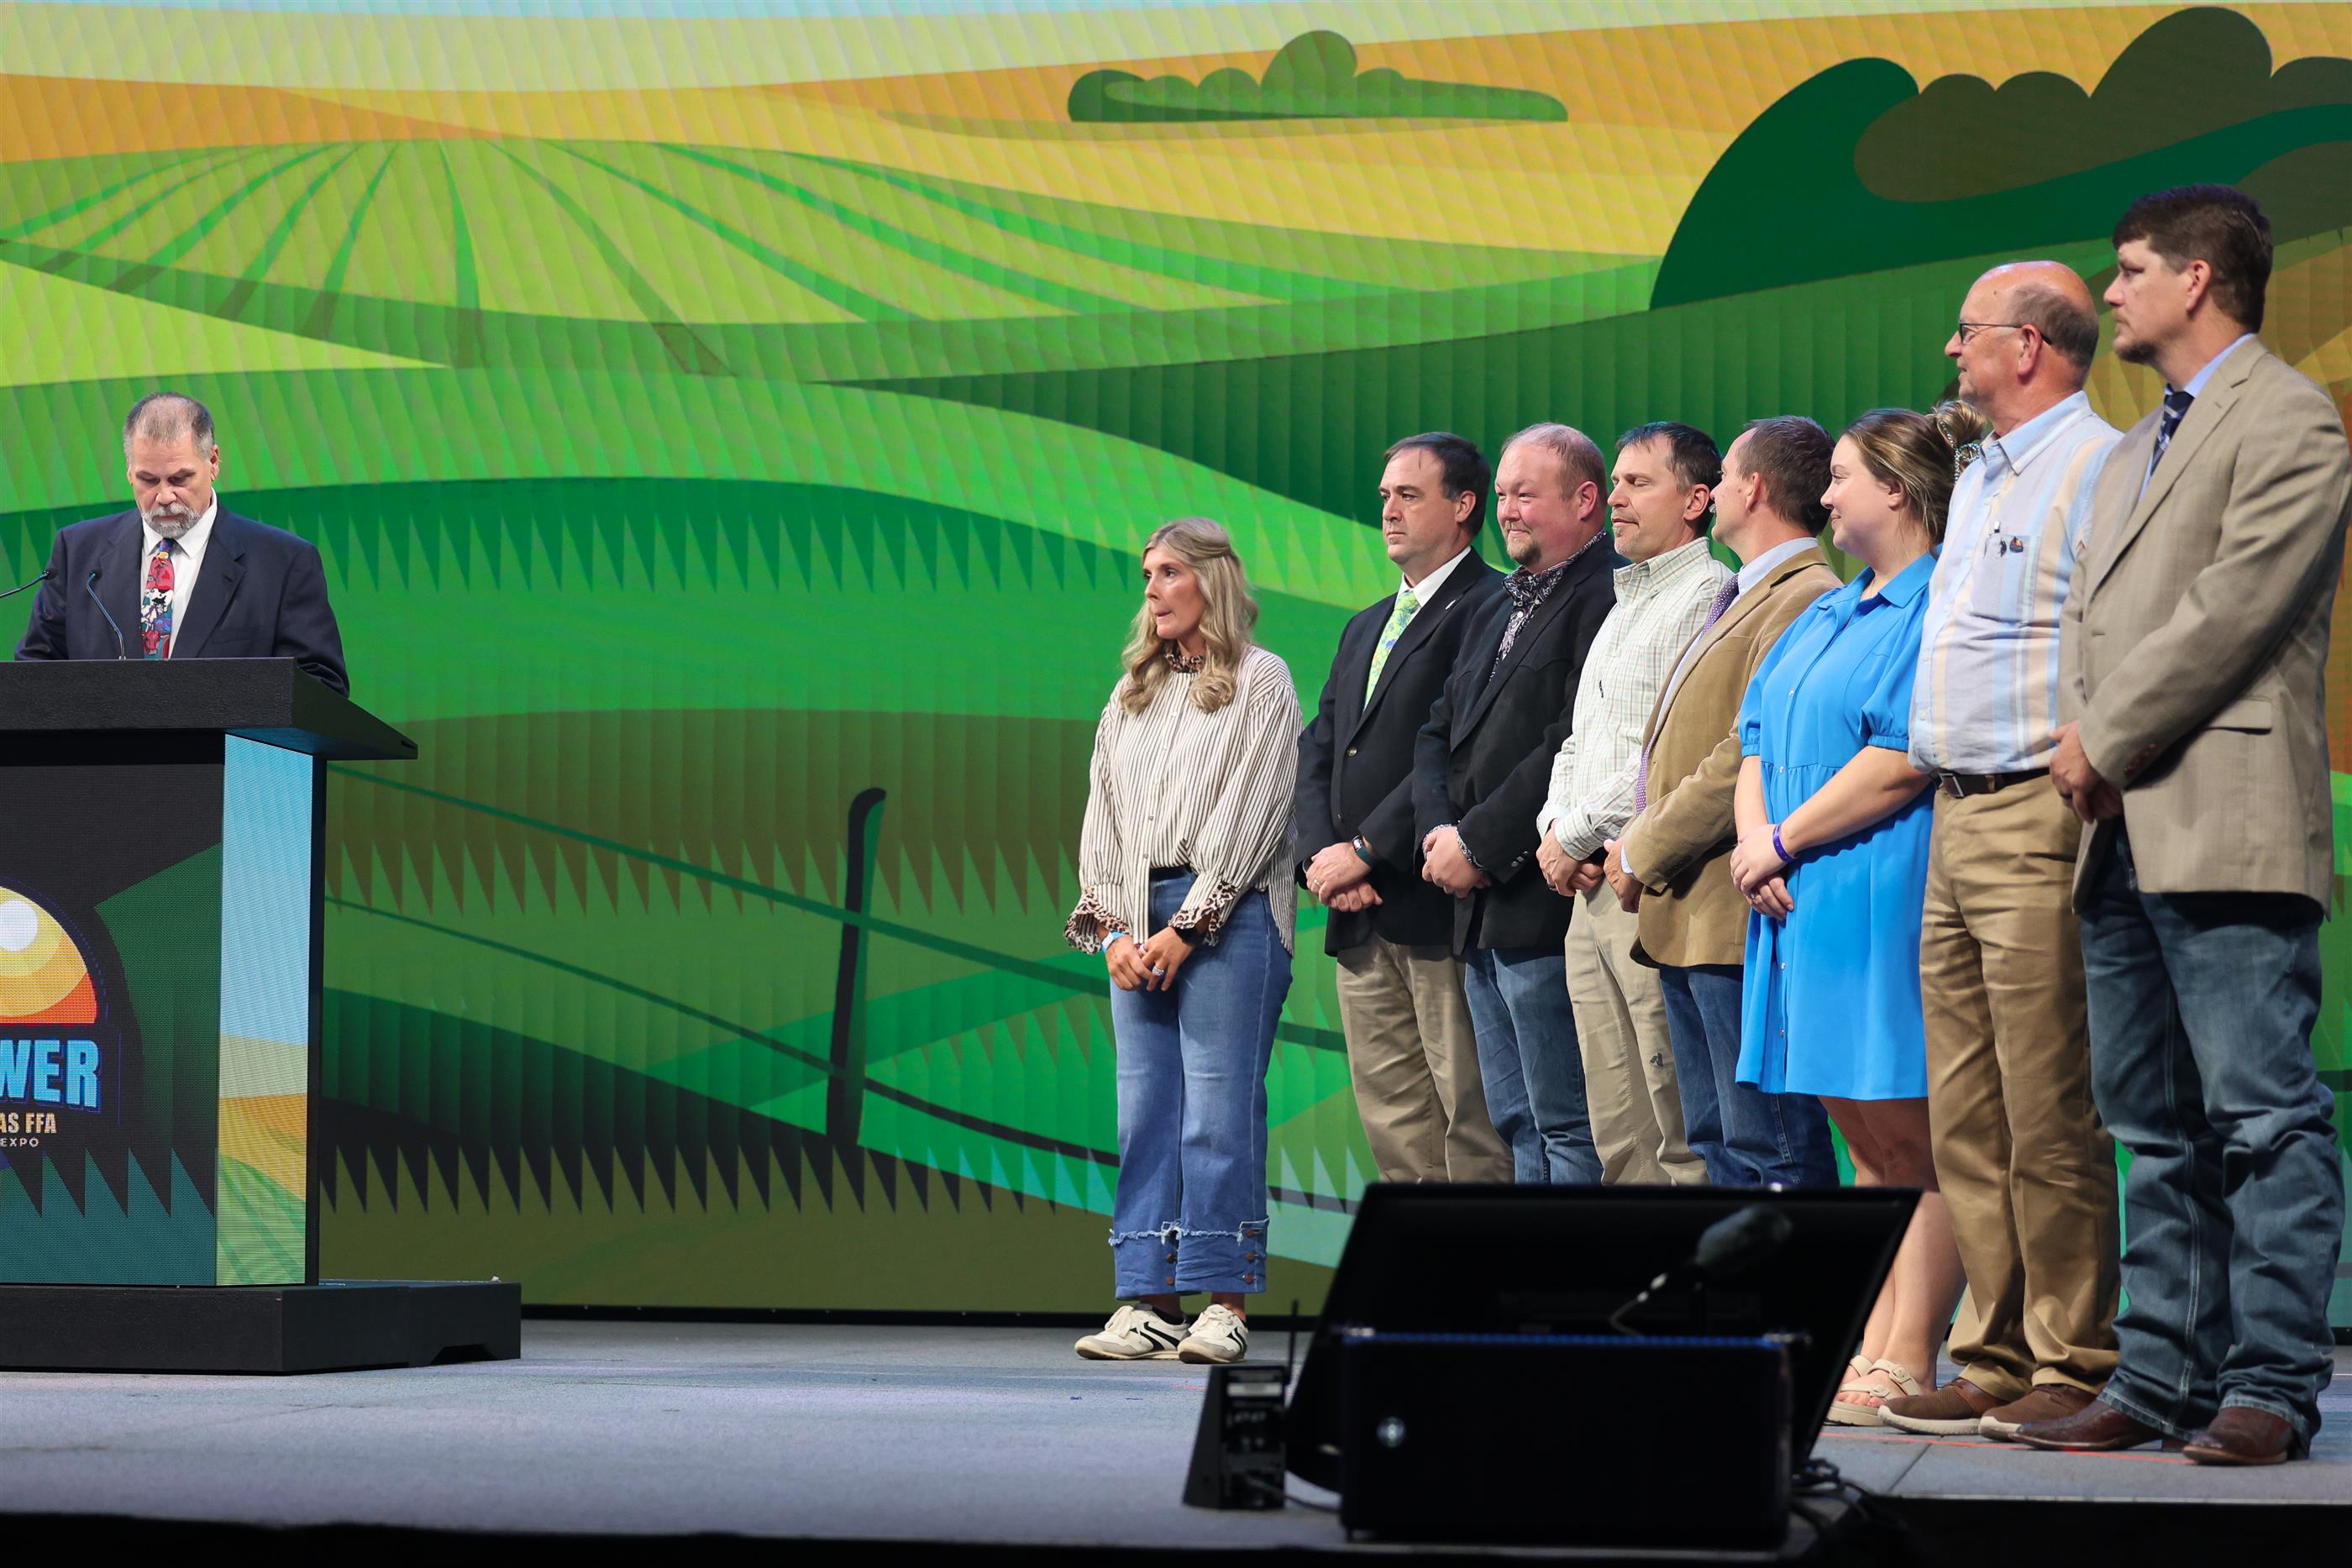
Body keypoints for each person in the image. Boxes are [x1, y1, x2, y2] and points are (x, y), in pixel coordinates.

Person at [2020, 186, 2349, 1466]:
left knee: (2261, 1115)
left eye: (2129, 269)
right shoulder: (2132, 447)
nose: (2110, 292)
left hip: (2223, 813)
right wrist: (2087, 746)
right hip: (2120, 823)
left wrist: (2102, 739)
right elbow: (2091, 624)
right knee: (2150, 1122)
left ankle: (2271, 1381)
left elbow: (2234, 609)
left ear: (2198, 276)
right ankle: (2159, 1375)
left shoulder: (2289, 416)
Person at [1878, 264, 2124, 1442]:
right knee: (1967, 1111)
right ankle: (1994, 1351)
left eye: (1968, 333)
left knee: (2045, 1101)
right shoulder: (1979, 470)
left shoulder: (2100, 464)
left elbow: (2119, 636)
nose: (1951, 350)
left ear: (2026, 346)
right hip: (1953, 809)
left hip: (2035, 806)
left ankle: (2073, 1356)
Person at [1728, 404, 1988, 1424]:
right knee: (1861, 1138)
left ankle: (1908, 1351)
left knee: (1907, 1131)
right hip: (1794, 893)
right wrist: (1755, 841)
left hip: (1874, 883)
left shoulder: (1936, 607)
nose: (1824, 495)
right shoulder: (1827, 611)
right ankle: (1874, 1338)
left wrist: (1782, 841)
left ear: (1896, 489)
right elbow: (1755, 736)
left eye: (1840, 477)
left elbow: (1898, 758)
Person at [1063, 518, 1301, 1366]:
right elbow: (1102, 817)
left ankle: (1222, 1301)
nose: (1153, 589)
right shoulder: (1131, 693)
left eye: (1169, 572)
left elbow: (1257, 808)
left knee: (1218, 1110)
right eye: (1147, 575)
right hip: (1135, 913)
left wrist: (1188, 925)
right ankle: (1149, 1300)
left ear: (1211, 579)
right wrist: (1113, 930)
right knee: (1145, 1112)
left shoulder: (1262, 680)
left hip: (1231, 915)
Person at [1610, 418, 1843, 1188]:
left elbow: (1743, 753)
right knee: (1717, 1142)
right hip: (1692, 913)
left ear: (1754, 487)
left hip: (1734, 913)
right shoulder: (1747, 591)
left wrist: (1643, 845)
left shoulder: (1804, 594)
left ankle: (1795, 1276)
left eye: (1727, 476)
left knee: (1767, 1143)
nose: (1714, 494)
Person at [1296, 434, 1511, 1183]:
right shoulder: (1365, 623)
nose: (1389, 510)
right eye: (1386, 495)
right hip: (1357, 911)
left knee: (1471, 1116)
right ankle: (1421, 1259)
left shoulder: (1494, 605)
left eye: (1409, 496)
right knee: (1393, 1124)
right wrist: (1321, 859)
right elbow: (1320, 748)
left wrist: (1366, 850)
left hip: (1436, 904)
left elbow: (1456, 751)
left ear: (1464, 505)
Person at [1412, 423, 1615, 1183]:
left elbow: (1571, 737)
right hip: (1479, 911)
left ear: (1585, 499)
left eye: (1524, 494)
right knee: (1516, 1121)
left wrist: (1479, 845)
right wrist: (1439, 831)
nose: (1505, 510)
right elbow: (1438, 730)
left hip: (1543, 900)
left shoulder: (1608, 592)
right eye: (1501, 494)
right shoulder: (1496, 601)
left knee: (1567, 1124)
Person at [1535, 423, 1730, 1185]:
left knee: (1676, 1119)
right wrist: (1556, 828)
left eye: (1638, 483)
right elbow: (1579, 740)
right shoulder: (1622, 605)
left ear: (1697, 499)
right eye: (1614, 482)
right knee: (1617, 1126)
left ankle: (1698, 1265)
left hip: (1646, 883)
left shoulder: (1709, 593)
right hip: (1588, 885)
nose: (1615, 497)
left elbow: (1669, 752)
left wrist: (1577, 834)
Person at [15, 392, 349, 695]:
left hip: (224, 745)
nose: (164, 496)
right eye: (148, 480)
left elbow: (321, 687)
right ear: (129, 471)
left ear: (213, 462)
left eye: (180, 479)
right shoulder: (77, 552)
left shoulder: (283, 563)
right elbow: (33, 676)